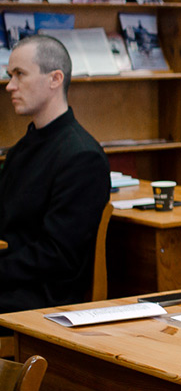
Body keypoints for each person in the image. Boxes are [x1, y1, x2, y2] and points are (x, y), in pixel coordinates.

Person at [0, 35, 110, 318]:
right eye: (10, 75)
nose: (10, 85)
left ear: (54, 79)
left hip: (42, 297)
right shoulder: (22, 148)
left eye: (20, 74)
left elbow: (58, 256)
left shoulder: (82, 157)